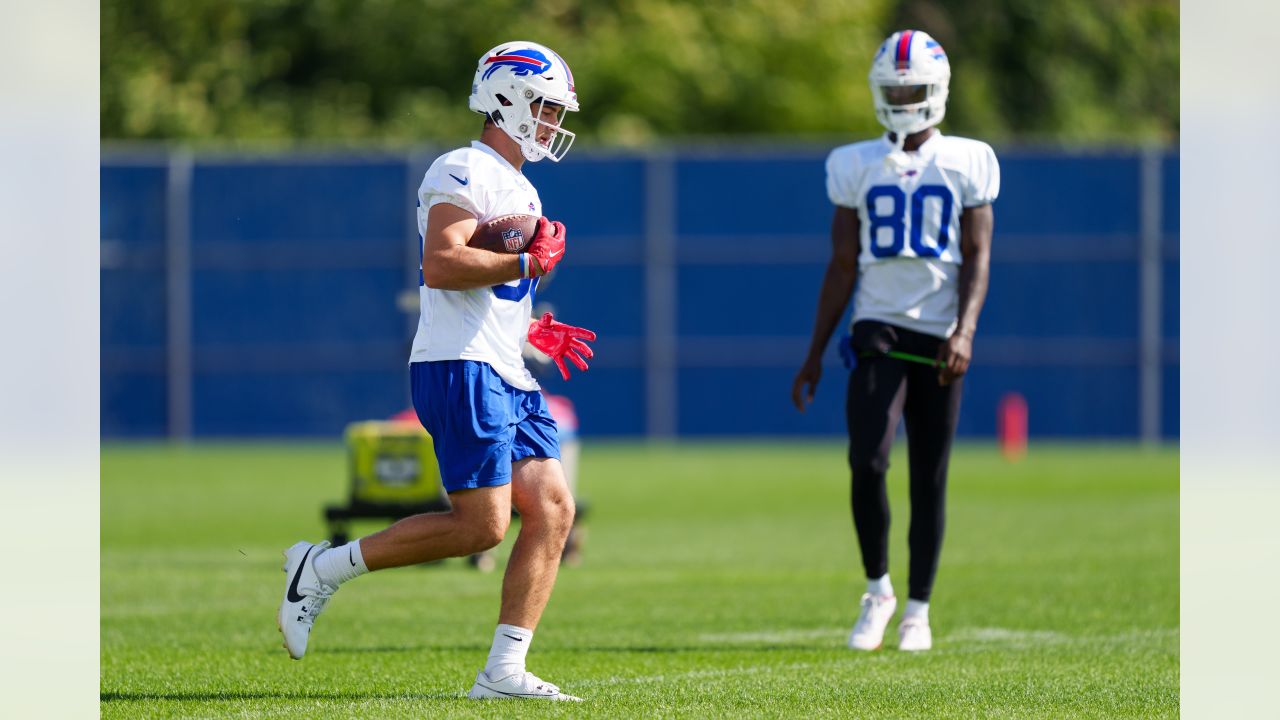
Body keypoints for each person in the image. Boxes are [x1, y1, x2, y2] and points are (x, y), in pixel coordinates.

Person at [277, 41, 597, 702]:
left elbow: (490, 290)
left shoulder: (524, 186)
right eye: (541, 106)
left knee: (554, 509)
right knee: (480, 527)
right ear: (505, 97)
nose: (549, 123)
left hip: (505, 366)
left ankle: (503, 671)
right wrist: (527, 267)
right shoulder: (460, 168)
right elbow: (442, 264)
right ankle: (322, 566)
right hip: (462, 370)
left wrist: (530, 323)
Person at [791, 29, 998, 653]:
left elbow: (978, 254)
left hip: (940, 333)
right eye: (895, 87)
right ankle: (878, 588)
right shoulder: (853, 163)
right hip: (876, 324)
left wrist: (964, 330)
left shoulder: (970, 159)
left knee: (929, 476)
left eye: (913, 87)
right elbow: (842, 264)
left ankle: (918, 609)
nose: (903, 96)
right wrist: (814, 351)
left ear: (936, 92)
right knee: (869, 458)